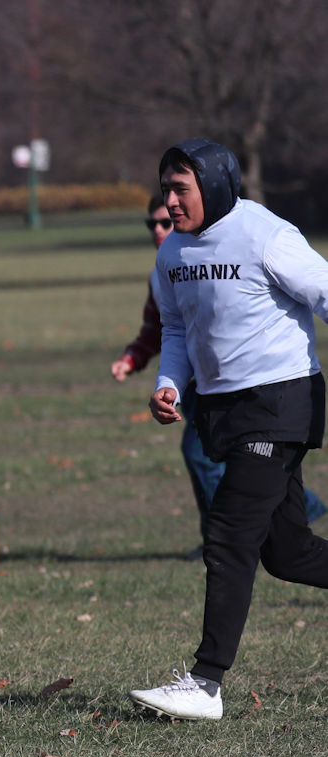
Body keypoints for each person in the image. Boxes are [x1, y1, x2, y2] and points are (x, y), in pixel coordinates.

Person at [130, 139, 328, 721]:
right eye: (165, 188)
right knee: (288, 554)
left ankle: (205, 682)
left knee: (228, 534)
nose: (168, 202)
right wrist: (169, 384)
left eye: (180, 189)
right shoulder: (172, 256)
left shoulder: (266, 234)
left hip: (280, 400)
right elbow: (173, 329)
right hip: (222, 408)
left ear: (214, 185)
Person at [112, 195, 326, 557]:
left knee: (208, 465)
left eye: (165, 221)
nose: (160, 229)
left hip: (254, 389)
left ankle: (225, 536)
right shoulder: (166, 264)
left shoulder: (248, 242)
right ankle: (298, 509)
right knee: (285, 545)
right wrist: (135, 360)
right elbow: (164, 327)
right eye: (153, 225)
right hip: (200, 384)